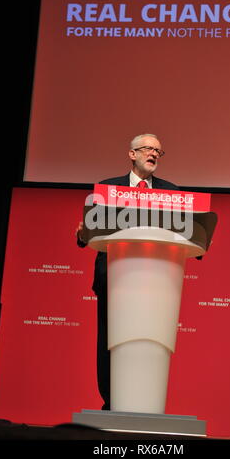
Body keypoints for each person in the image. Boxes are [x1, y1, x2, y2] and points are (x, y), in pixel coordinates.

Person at [76, 133, 179, 410]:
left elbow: (183, 230)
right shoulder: (108, 189)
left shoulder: (172, 192)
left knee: (148, 341)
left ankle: (145, 404)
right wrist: (84, 232)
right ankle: (111, 403)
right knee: (111, 340)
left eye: (159, 150)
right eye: (148, 149)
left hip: (157, 280)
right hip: (113, 275)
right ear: (132, 154)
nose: (154, 154)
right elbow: (88, 234)